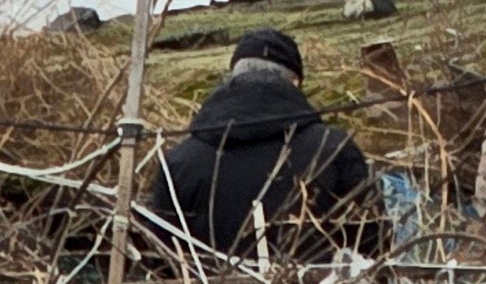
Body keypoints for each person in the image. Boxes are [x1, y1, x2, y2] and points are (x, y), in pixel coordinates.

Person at [142, 28, 382, 258]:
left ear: (233, 77)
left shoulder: (179, 161)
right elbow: (374, 245)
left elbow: (163, 258)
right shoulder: (334, 149)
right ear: (295, 82)